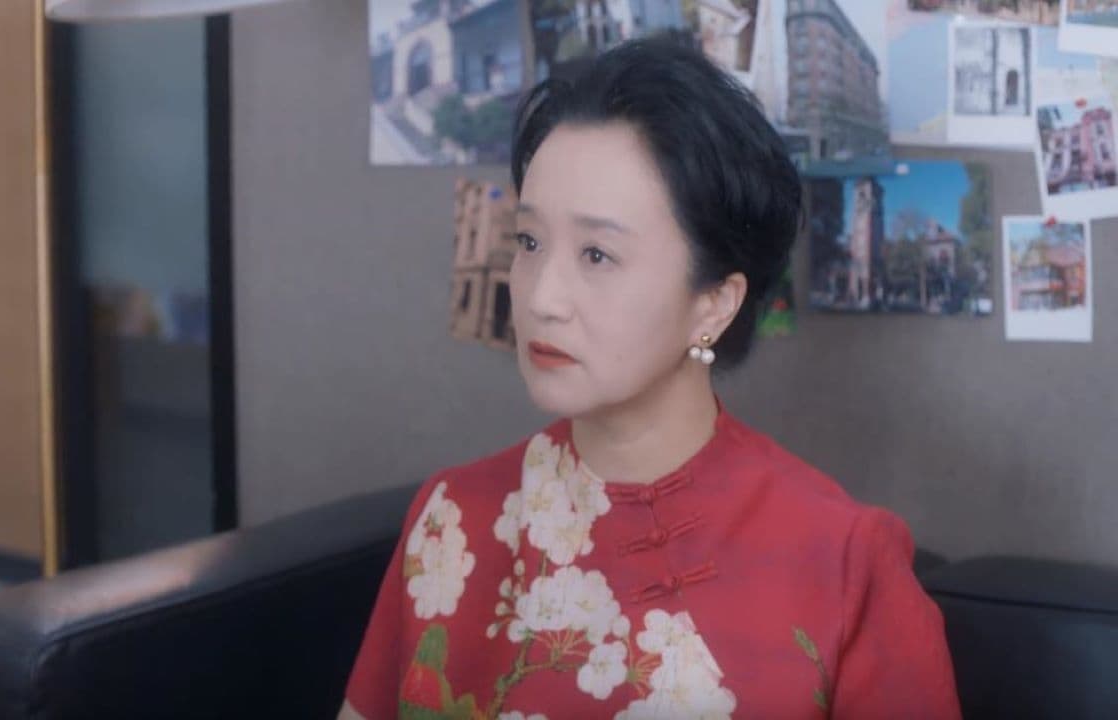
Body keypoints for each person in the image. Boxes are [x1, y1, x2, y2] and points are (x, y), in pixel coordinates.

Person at [338, 36, 959, 720]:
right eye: (529, 242)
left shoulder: (844, 560)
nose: (542, 296)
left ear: (713, 304)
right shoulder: (451, 517)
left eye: (597, 254)